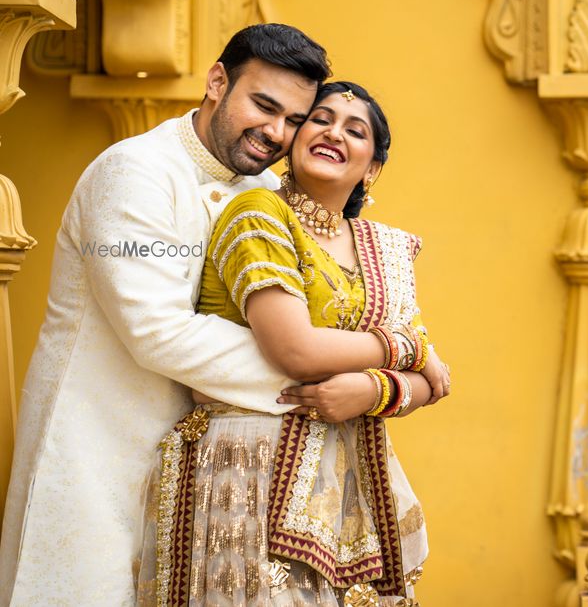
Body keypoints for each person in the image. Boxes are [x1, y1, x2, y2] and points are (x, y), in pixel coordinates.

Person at [0, 24, 341, 606]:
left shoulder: (261, 189)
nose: (275, 133)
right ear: (216, 82)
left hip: (206, 476)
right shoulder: (134, 173)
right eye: (263, 105)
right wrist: (321, 375)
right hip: (96, 456)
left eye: (293, 120)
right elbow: (159, 335)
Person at [136, 81, 441, 606]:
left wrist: (369, 393)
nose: (333, 133)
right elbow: (295, 352)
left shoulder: (383, 249)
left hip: (355, 480)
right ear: (297, 139)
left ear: (372, 168)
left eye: (355, 129)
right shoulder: (259, 214)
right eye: (320, 119)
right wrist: (404, 349)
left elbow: (433, 385)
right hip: (249, 465)